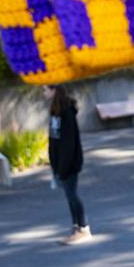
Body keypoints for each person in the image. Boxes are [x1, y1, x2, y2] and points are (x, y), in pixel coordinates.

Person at [44, 85, 91, 245]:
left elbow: (68, 143)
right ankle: (76, 227)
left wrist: (63, 167)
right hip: (60, 164)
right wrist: (54, 164)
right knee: (69, 196)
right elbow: (54, 140)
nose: (43, 93)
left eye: (46, 89)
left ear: (54, 90)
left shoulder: (67, 113)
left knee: (72, 195)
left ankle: (83, 228)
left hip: (69, 164)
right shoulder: (55, 112)